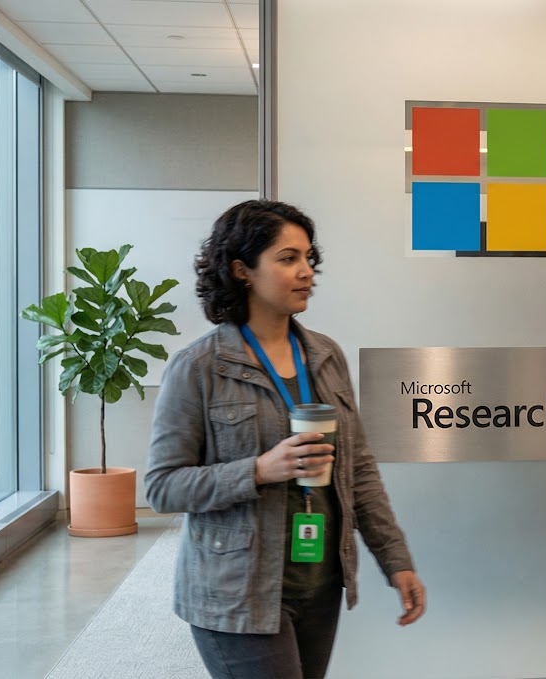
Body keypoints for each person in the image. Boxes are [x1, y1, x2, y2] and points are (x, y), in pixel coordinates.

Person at [145, 200, 426, 679]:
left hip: (319, 583)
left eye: (308, 258)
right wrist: (257, 470)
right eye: (287, 258)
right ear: (242, 270)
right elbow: (163, 487)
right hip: (237, 592)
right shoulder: (198, 367)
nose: (306, 272)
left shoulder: (325, 355)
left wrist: (395, 559)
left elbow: (358, 468)